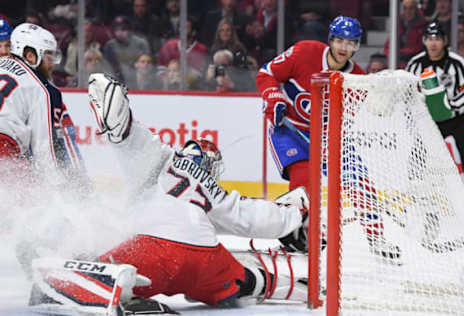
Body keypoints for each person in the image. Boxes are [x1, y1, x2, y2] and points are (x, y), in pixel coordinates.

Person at [27, 72, 311, 315]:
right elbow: (252, 218)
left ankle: (118, 291)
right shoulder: (212, 189)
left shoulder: (162, 159)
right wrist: (297, 212)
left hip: (155, 249)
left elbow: (128, 136)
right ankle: (287, 286)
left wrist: (115, 111)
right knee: (237, 280)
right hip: (206, 257)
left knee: (78, 276)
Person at [257, 16, 402, 260]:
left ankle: (377, 238)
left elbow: (346, 116)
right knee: (304, 183)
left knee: (360, 182)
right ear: (331, 40)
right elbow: (266, 74)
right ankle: (301, 233)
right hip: (289, 129)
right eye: (340, 41)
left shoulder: (355, 76)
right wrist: (273, 97)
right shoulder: (304, 52)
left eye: (351, 43)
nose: (345, 48)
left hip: (326, 137)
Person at [0, 23, 89, 190]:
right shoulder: (42, 88)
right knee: (32, 205)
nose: (53, 64)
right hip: (4, 148)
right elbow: (44, 150)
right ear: (30, 56)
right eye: (49, 56)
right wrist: (65, 189)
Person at [406, 21, 464, 212]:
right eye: (429, 39)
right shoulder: (415, 64)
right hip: (430, 123)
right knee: (417, 164)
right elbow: (406, 92)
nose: (433, 43)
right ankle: (419, 209)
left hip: (459, 120)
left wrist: (452, 106)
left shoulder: (457, 62)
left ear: (445, 41)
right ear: (423, 41)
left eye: (437, 38)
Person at [384, 0, 427, 68]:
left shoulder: (423, 26)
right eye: (405, 8)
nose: (408, 11)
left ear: (416, 9)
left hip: (415, 63)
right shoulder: (397, 24)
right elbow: (388, 46)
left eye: (411, 8)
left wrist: (398, 53)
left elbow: (416, 49)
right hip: (397, 61)